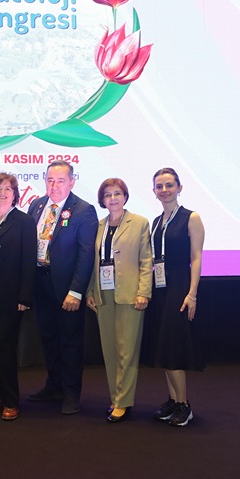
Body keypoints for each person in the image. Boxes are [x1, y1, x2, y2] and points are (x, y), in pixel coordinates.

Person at [27, 161, 98, 415]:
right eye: (50, 180)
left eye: (60, 181)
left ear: (72, 182)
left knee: (70, 342)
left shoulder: (83, 210)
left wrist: (76, 291)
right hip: (40, 283)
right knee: (49, 339)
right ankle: (54, 386)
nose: (54, 186)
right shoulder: (36, 206)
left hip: (67, 289)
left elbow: (86, 254)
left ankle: (71, 394)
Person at [141, 167, 206, 427]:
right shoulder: (156, 222)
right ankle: (172, 400)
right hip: (159, 287)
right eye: (159, 186)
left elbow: (196, 258)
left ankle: (184, 405)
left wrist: (192, 294)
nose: (164, 190)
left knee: (174, 347)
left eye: (169, 185)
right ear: (154, 191)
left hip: (180, 285)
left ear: (179, 188)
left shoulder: (192, 217)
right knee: (164, 347)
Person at [86, 178, 152, 423]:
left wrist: (144, 292)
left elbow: (146, 260)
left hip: (130, 294)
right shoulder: (98, 226)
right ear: (102, 200)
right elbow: (93, 262)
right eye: (107, 194)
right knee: (110, 349)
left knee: (127, 350)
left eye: (117, 193)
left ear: (125, 196)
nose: (112, 198)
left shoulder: (139, 223)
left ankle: (124, 401)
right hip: (103, 292)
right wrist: (91, 291)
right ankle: (115, 397)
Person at [0, 173, 37, 421]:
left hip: (11, 296)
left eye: (8, 189)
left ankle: (12, 401)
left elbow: (29, 261)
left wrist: (25, 296)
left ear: (15, 194)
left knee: (5, 346)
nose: (2, 193)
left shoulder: (24, 222)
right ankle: (0, 395)